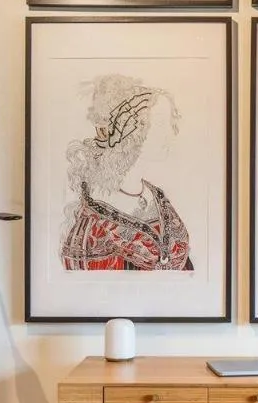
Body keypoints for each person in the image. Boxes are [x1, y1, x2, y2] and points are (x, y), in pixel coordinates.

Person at [60, 74, 193, 271]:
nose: (170, 133)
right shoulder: (96, 221)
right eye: (159, 124)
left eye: (170, 123)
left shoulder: (158, 198)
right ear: (130, 131)